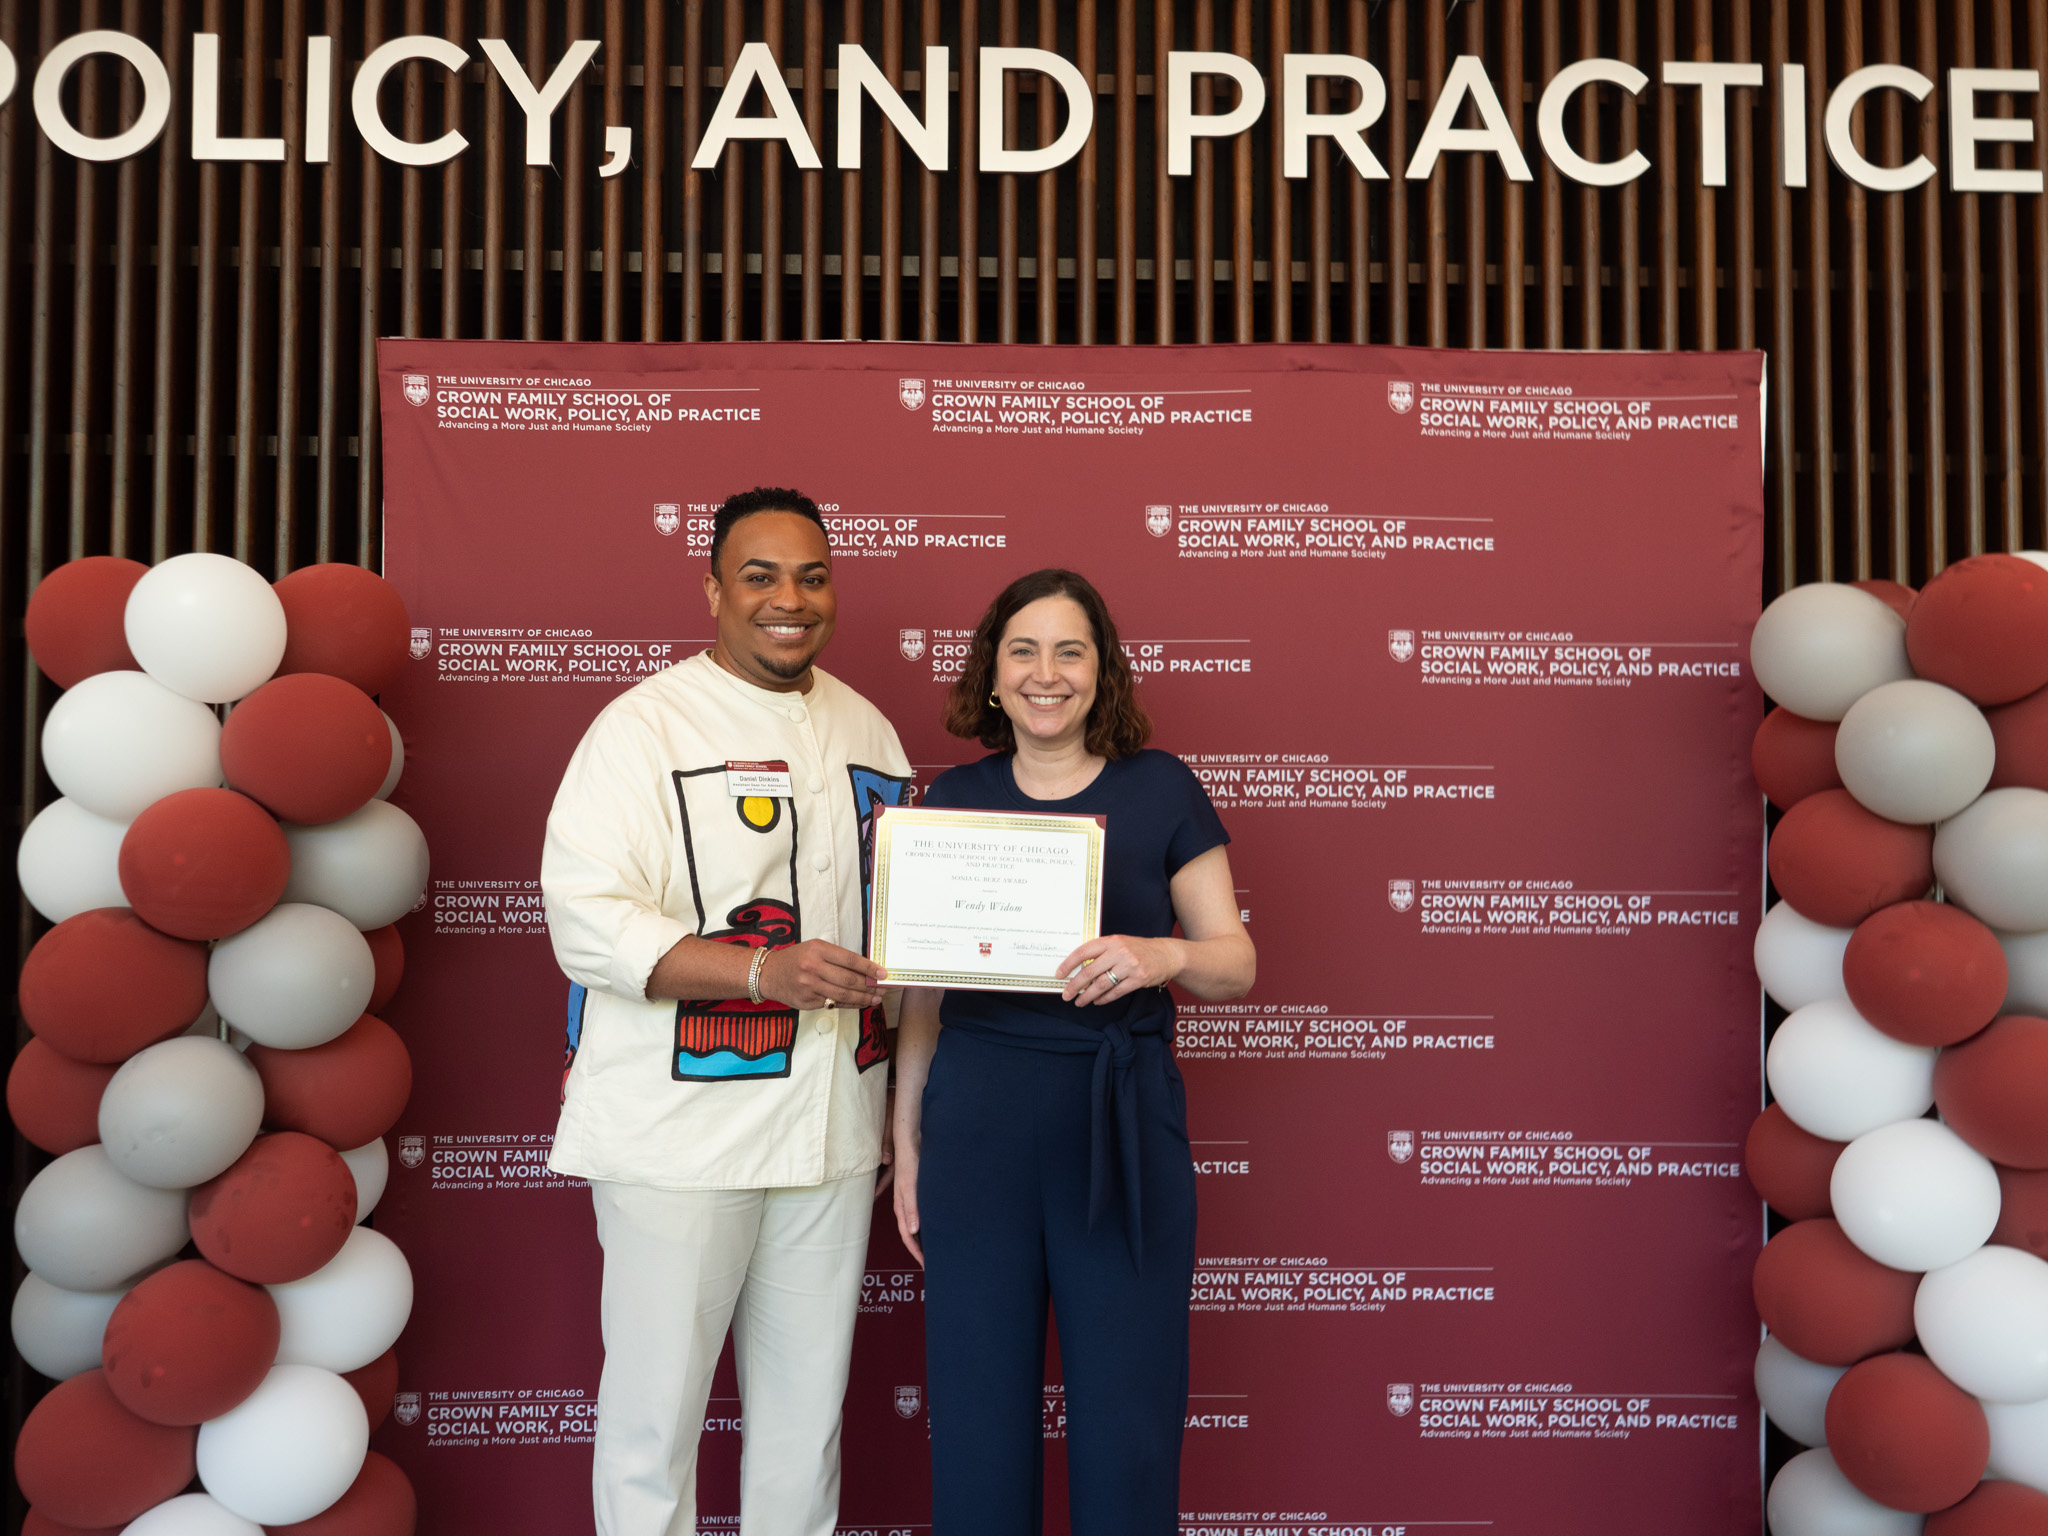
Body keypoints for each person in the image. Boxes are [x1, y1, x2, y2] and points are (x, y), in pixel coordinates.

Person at [540, 487, 913, 1536]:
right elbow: (586, 921)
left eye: (809, 576)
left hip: (830, 1133)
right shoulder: (642, 728)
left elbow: (905, 918)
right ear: (712, 589)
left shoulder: (866, 726)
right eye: (759, 576)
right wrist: (763, 974)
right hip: (677, 1138)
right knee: (654, 1423)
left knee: (805, 1425)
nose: (787, 599)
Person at [890, 568, 1257, 1536]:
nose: (1044, 673)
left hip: (1118, 1134)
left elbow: (1234, 963)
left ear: (1102, 671)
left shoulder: (1161, 787)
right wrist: (907, 1142)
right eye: (1022, 650)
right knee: (974, 1426)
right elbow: (921, 994)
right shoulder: (953, 796)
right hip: (975, 1134)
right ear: (992, 671)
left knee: (1126, 1431)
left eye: (1068, 650)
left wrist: (1159, 954)